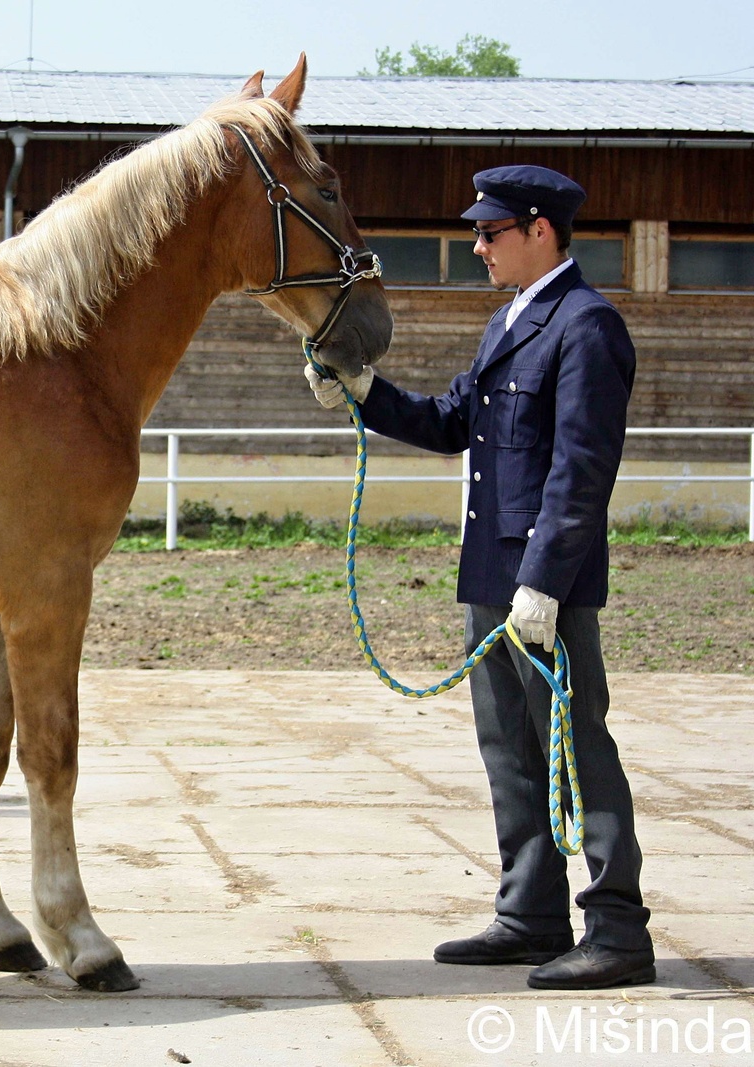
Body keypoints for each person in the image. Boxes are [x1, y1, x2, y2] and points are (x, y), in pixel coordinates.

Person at [305, 166, 652, 990]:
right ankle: (532, 913)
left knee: (576, 750)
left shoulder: (587, 325)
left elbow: (580, 470)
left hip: (544, 583)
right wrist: (363, 391)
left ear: (541, 230)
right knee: (510, 752)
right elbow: (452, 420)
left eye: (492, 232)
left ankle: (618, 931)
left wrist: (544, 580)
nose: (477, 245)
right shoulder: (510, 324)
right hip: (490, 573)